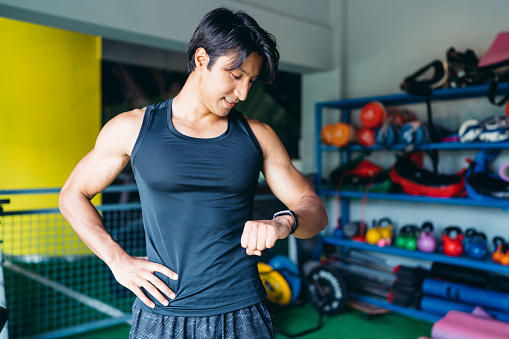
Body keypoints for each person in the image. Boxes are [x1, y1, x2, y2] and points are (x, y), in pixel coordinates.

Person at [59, 7, 328, 339]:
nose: (243, 93)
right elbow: (71, 195)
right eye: (236, 74)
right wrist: (117, 260)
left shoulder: (259, 136)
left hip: (242, 311)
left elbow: (313, 208)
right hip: (162, 312)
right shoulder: (133, 128)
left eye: (251, 81)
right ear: (202, 59)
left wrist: (283, 222)